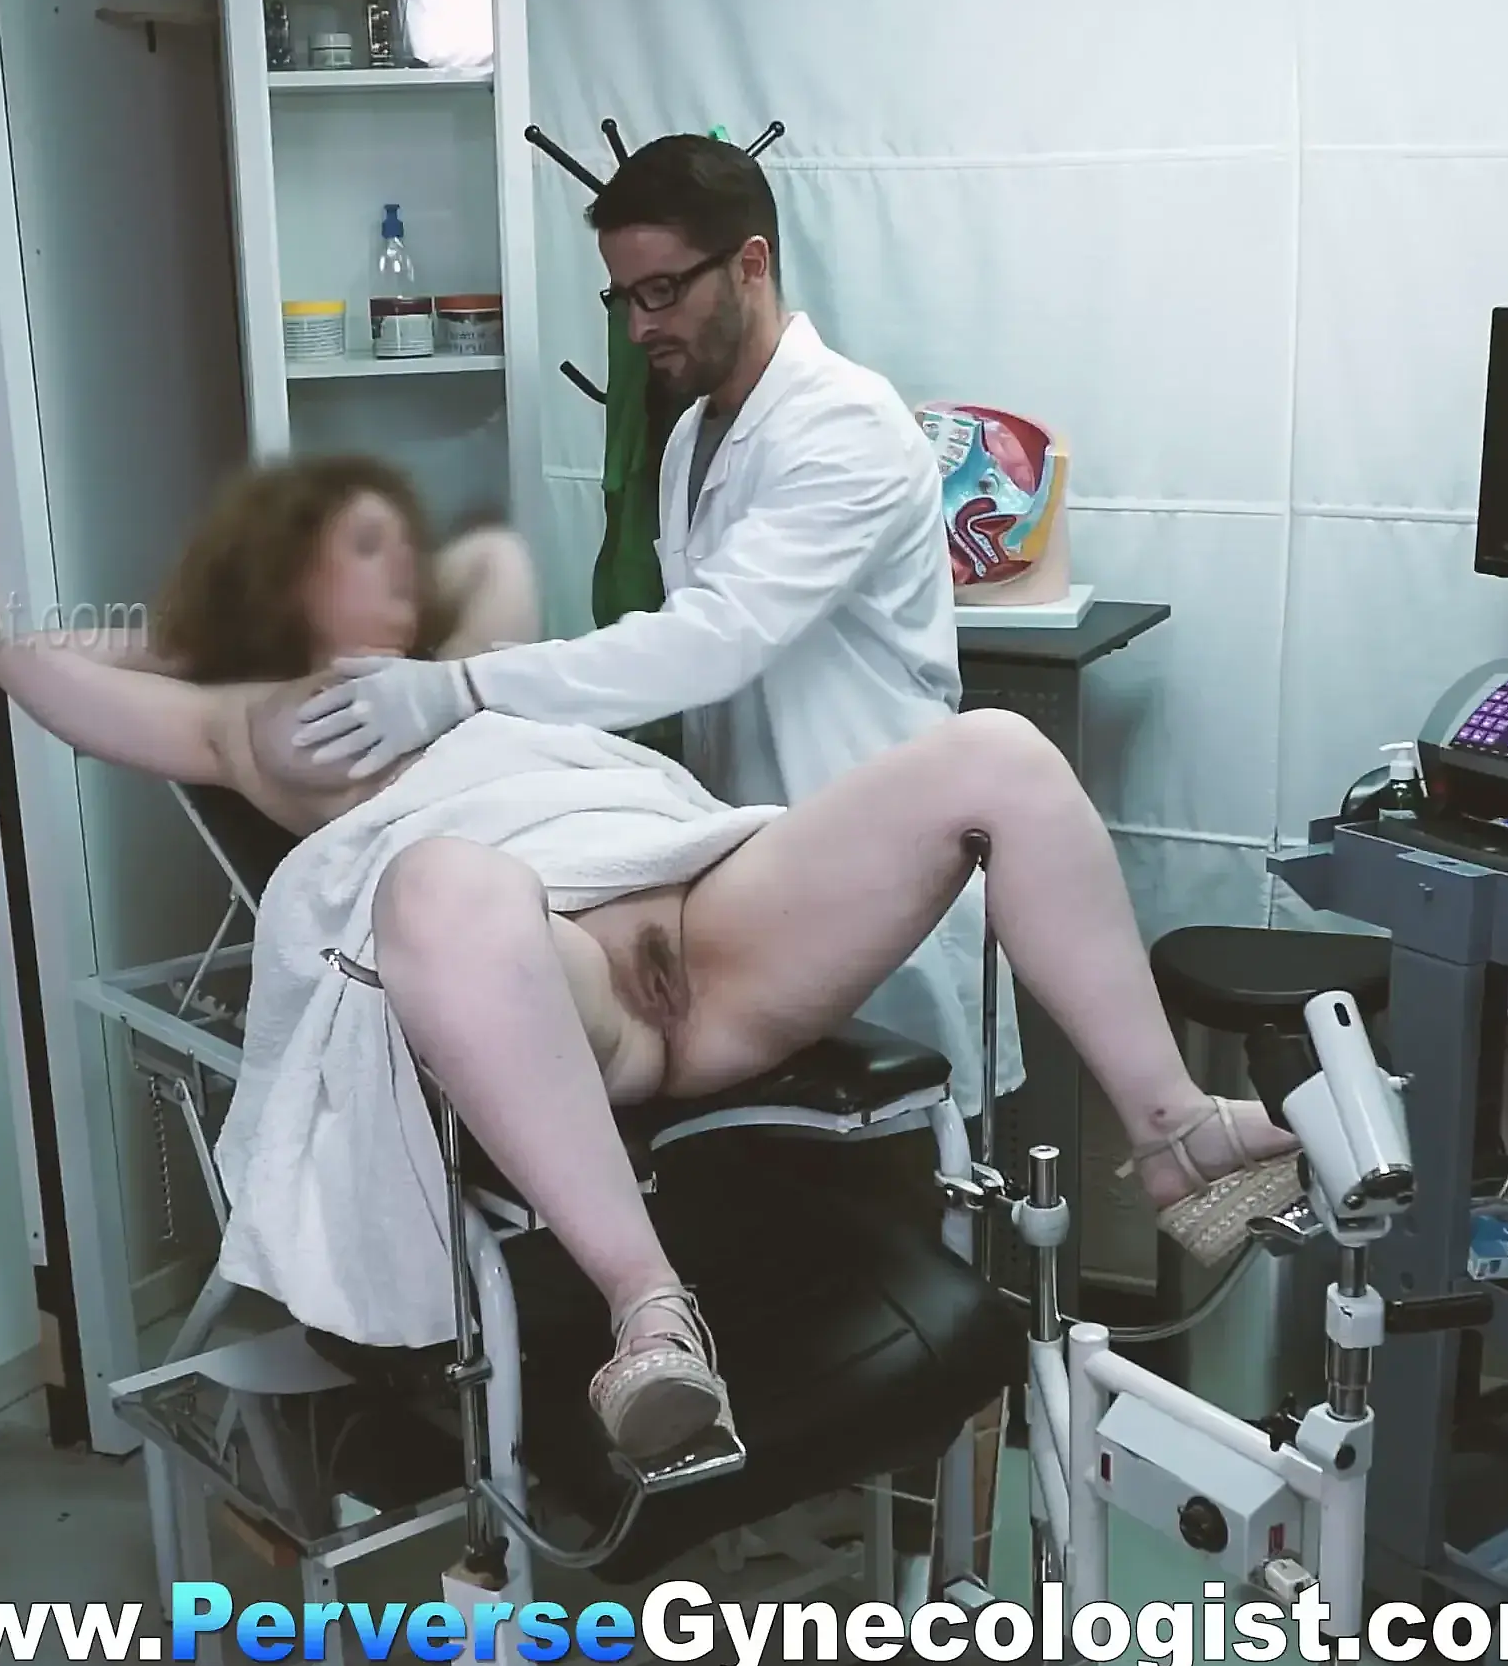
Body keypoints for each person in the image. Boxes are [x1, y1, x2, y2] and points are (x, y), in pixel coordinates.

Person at [0, 455, 1296, 1466]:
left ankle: (1175, 1132)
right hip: (551, 975)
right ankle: (652, 1317)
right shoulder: (247, 726)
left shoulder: (464, 664)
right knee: (434, 882)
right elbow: (26, 662)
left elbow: (489, 563)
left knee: (998, 755)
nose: (374, 565)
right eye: (334, 548)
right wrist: (212, 636)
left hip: (713, 905)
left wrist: (420, 656)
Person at [283, 135, 1014, 1112]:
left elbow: (711, 643)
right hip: (750, 885)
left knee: (914, 1156)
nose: (638, 328)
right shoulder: (690, 440)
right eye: (624, 297)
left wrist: (465, 687)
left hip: (875, 871)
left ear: (750, 263)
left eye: (662, 291)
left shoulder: (847, 424)